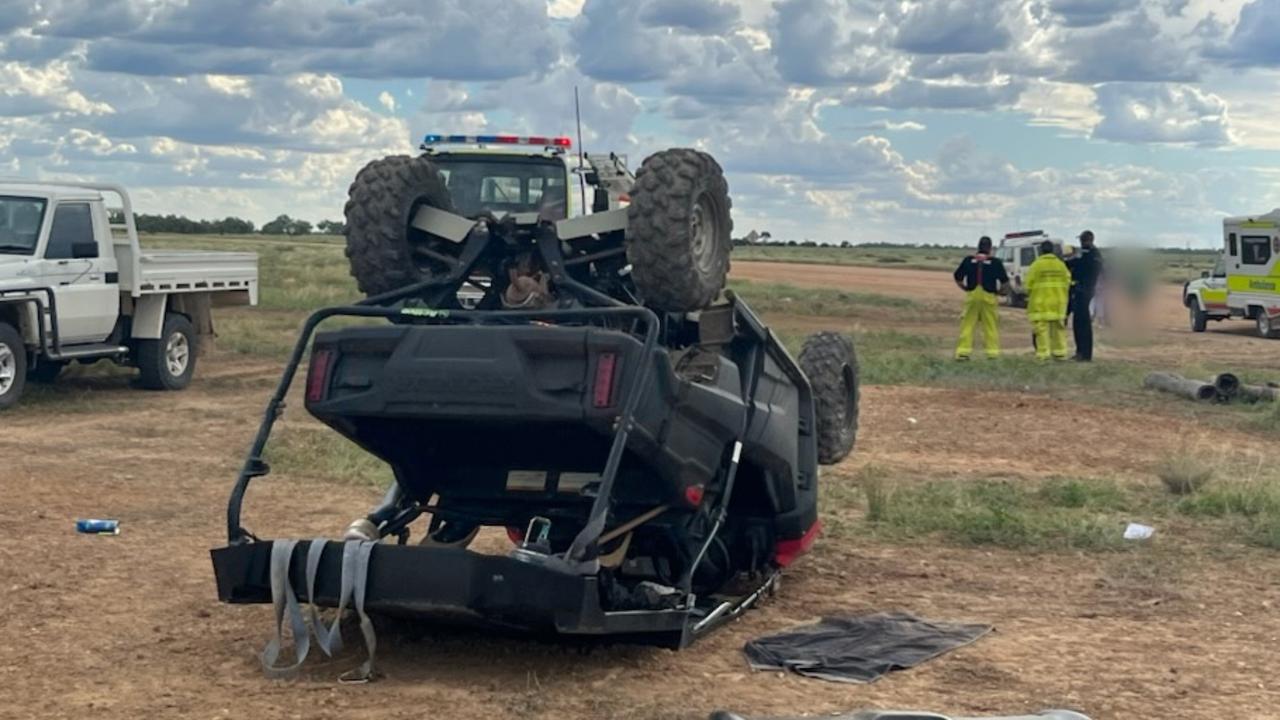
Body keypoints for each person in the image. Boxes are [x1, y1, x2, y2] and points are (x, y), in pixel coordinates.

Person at [952, 236, 1009, 360]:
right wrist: (1000, 292)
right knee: (990, 325)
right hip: (989, 296)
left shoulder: (968, 260)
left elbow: (957, 277)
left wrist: (965, 288)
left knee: (967, 324)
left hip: (972, 295)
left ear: (978, 247)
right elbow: (1005, 282)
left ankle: (963, 352)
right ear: (989, 248)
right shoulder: (995, 262)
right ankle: (992, 353)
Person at [1024, 239, 1071, 361]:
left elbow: (1028, 285)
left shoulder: (1036, 265)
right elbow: (1068, 281)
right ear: (1053, 250)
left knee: (1041, 329)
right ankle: (1059, 353)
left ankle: (1043, 354)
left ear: (1040, 251)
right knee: (1059, 328)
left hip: (1041, 303)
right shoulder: (1061, 265)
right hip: (1058, 303)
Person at [1066, 229, 1103, 361]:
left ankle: (1083, 353)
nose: (1081, 243)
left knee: (1080, 323)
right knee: (1083, 322)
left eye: (1081, 240)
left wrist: (1064, 259)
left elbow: (1071, 264)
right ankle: (1083, 353)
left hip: (1081, 289)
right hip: (1088, 289)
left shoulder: (1087, 254)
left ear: (1085, 240)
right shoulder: (1097, 254)